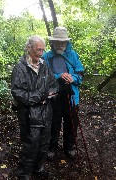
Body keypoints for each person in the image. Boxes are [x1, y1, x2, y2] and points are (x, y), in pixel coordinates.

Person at [11, 35, 59, 180]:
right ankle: (24, 173)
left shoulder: (44, 65)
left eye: (43, 50)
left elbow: (54, 85)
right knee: (30, 145)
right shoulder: (20, 68)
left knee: (44, 143)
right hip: (29, 115)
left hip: (46, 113)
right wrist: (41, 97)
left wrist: (50, 93)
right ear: (29, 48)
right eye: (38, 50)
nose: (41, 53)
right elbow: (17, 92)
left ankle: (38, 167)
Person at [42, 27, 84, 161]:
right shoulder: (46, 56)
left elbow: (80, 73)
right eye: (57, 42)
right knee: (54, 123)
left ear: (67, 42)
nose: (60, 44)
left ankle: (69, 147)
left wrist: (73, 78)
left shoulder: (73, 55)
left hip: (71, 95)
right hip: (54, 96)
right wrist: (59, 76)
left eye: (63, 42)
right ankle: (52, 147)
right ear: (53, 42)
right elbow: (43, 76)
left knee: (71, 122)